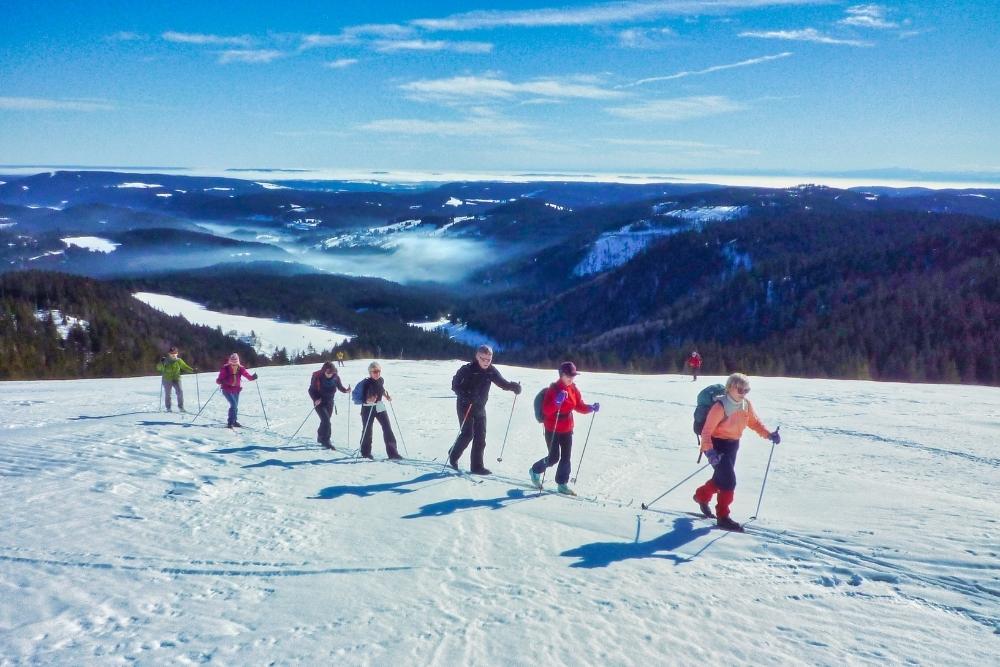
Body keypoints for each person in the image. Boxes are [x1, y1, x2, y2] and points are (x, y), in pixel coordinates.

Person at [693, 372, 780, 531]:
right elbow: (706, 432)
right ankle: (723, 517)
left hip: (733, 445)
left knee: (721, 479)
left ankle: (701, 496)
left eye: (747, 390)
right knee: (729, 481)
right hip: (716, 445)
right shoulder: (720, 406)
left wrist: (769, 434)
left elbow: (754, 423)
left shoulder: (746, 404)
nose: (744, 393)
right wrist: (710, 452)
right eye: (740, 389)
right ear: (730, 388)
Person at [447, 345, 521, 475]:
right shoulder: (467, 369)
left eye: (489, 359)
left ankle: (477, 466)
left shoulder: (491, 371)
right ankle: (453, 454)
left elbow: (502, 383)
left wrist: (513, 386)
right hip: (465, 406)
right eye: (483, 359)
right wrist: (466, 395)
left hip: (480, 407)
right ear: (477, 356)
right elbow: (455, 385)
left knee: (481, 437)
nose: (486, 362)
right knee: (468, 434)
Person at [529, 361, 598, 495]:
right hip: (552, 428)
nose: (571, 378)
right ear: (561, 375)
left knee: (566, 457)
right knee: (554, 457)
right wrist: (556, 402)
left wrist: (590, 408)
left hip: (567, 428)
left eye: (573, 375)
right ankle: (535, 470)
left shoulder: (573, 389)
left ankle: (562, 484)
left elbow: (578, 406)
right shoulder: (553, 390)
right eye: (568, 375)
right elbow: (546, 410)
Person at [355, 361, 400, 460]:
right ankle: (365, 453)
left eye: (379, 371)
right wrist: (368, 400)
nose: (377, 373)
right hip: (367, 407)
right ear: (370, 372)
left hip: (379, 405)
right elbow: (360, 397)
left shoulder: (381, 380)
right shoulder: (366, 383)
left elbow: (381, 389)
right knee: (368, 430)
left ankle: (393, 453)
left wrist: (386, 396)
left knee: (387, 428)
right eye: (375, 372)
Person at [308, 361, 350, 449]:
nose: (330, 374)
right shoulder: (317, 377)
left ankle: (320, 436)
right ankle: (326, 441)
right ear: (324, 371)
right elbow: (311, 390)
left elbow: (339, 387)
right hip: (319, 402)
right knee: (326, 421)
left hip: (330, 402)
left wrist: (346, 390)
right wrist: (315, 399)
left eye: (332, 372)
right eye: (328, 372)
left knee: (325, 421)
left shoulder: (336, 377)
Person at [215, 352, 257, 428]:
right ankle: (230, 422)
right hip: (226, 389)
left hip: (236, 390)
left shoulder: (240, 368)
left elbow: (247, 375)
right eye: (232, 360)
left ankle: (234, 421)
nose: (234, 362)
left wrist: (253, 377)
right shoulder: (225, 368)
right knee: (233, 405)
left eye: (235, 360)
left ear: (238, 360)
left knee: (235, 406)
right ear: (230, 360)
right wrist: (221, 381)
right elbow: (218, 380)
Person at [156, 345, 194, 412]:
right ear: (169, 354)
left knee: (180, 391)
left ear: (177, 354)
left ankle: (181, 407)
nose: (173, 355)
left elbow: (185, 367)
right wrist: (161, 363)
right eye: (172, 354)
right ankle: (168, 408)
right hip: (167, 379)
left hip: (176, 378)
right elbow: (159, 368)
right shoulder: (165, 360)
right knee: (168, 393)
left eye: (175, 353)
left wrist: (193, 370)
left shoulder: (179, 361)